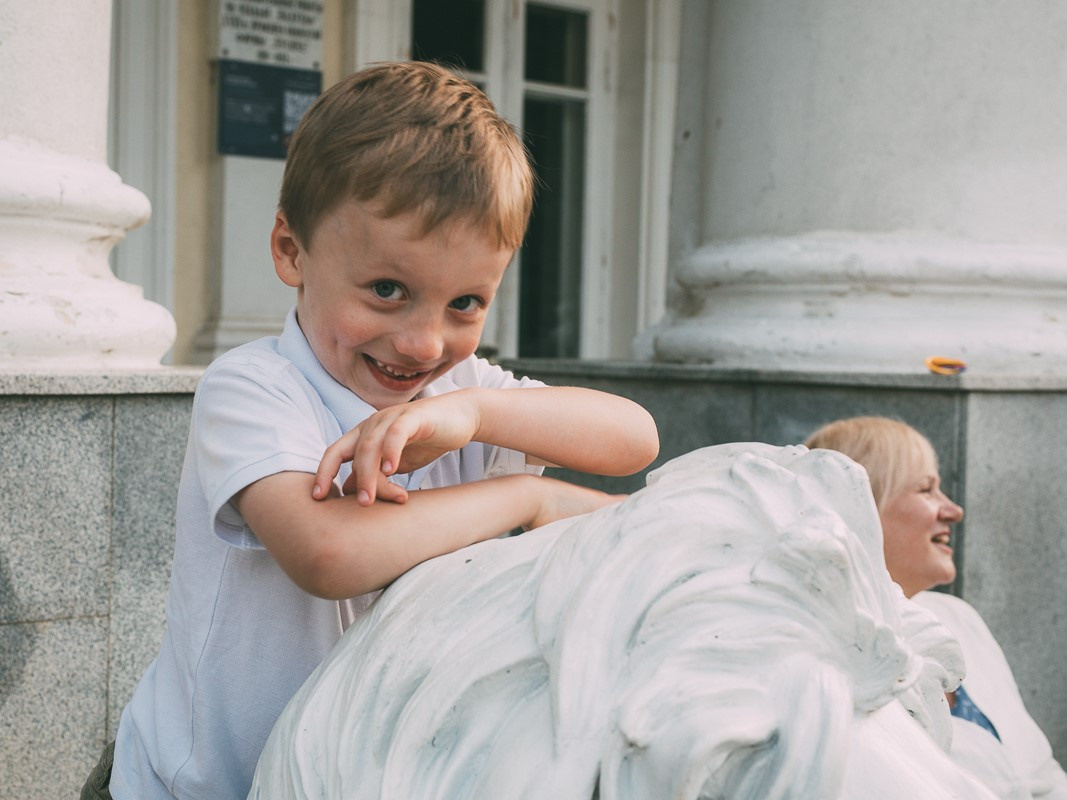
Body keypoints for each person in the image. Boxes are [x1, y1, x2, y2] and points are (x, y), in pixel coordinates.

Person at [82, 61, 659, 800]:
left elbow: (634, 439)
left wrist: (477, 413)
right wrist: (526, 500)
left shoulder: (461, 395)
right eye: (388, 290)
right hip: (195, 788)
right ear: (292, 252)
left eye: (464, 303)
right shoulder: (255, 387)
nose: (423, 343)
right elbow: (327, 552)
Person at [805, 416, 1067, 800]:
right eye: (926, 490)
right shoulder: (831, 657)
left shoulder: (956, 618)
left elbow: (1042, 775)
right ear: (862, 512)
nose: (954, 510)